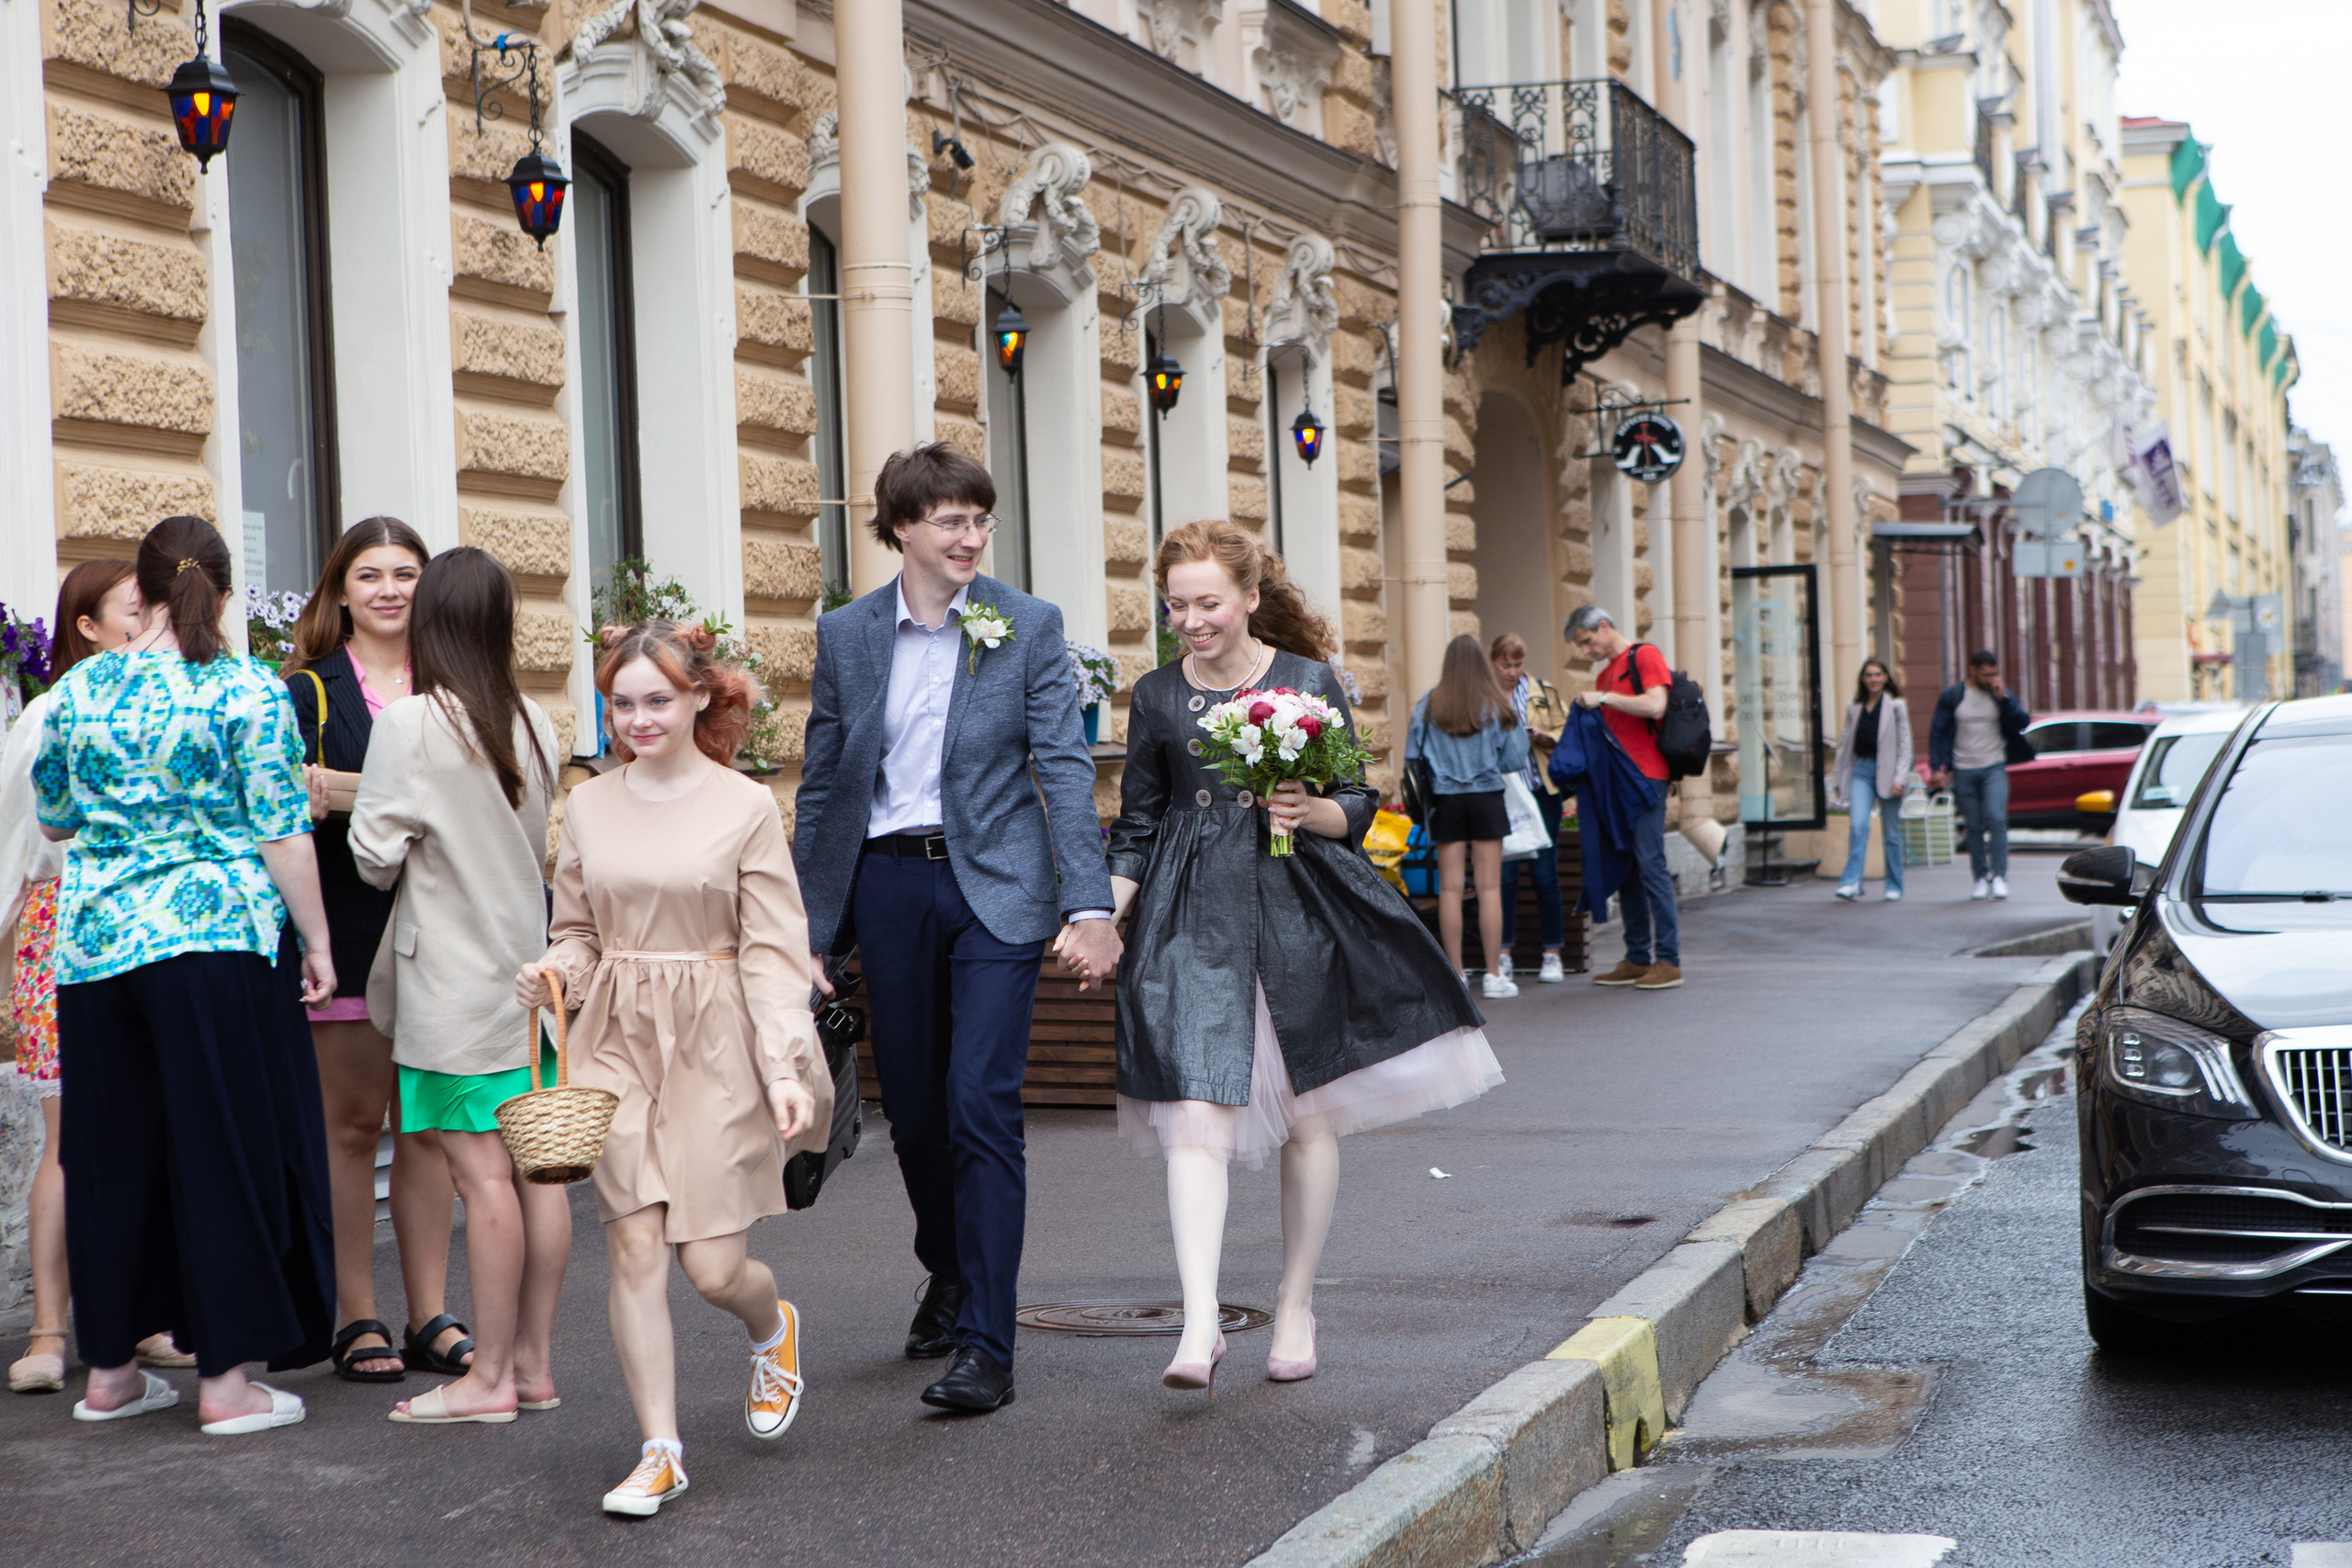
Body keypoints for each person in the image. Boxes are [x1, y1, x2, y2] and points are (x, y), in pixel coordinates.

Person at [1109, 521, 1499, 1390]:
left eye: (1208, 602)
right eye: (1177, 605)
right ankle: (1200, 1320)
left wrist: (1304, 807)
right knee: (1193, 1117)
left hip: (1299, 909)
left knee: (1309, 1114)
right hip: (1189, 919)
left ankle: (1294, 1303)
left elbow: (1356, 801)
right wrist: (1106, 916)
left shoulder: (1308, 681)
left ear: (1250, 598)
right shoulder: (1156, 695)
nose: (1192, 621)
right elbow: (1137, 822)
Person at [793, 442, 1119, 1416]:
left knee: (981, 1102)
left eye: (979, 517)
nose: (970, 534)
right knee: (920, 1119)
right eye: (949, 519)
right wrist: (809, 927)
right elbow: (823, 785)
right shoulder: (848, 634)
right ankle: (947, 1266)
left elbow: (1064, 766)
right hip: (888, 889)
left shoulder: (1025, 625)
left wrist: (1088, 902)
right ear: (900, 528)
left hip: (996, 893)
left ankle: (987, 1340)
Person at [517, 620, 830, 1517]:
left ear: (699, 696)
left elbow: (773, 952)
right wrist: (554, 975)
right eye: (623, 703)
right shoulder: (587, 806)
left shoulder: (744, 807)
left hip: (719, 1039)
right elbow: (576, 932)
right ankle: (660, 1449)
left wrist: (781, 1066)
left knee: (713, 1268)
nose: (639, 719)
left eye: (658, 700)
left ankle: (771, 1329)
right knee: (634, 1246)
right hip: (617, 1038)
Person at [34, 514, 334, 1434]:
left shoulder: (81, 691)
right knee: (224, 1151)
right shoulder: (247, 687)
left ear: (144, 587)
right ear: (226, 589)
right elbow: (283, 830)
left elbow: (52, 819)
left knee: (111, 1155)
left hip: (95, 949)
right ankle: (227, 1386)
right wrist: (317, 942)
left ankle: (111, 1374)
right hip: (214, 943)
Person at [350, 547, 569, 1425]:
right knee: (535, 1178)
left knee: (481, 1179)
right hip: (528, 986)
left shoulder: (409, 723)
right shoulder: (535, 720)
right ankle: (533, 1368)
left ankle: (486, 1383)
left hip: (449, 984)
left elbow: (372, 858)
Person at [281, 518, 469, 1384]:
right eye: (370, 574)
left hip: (447, 934)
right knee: (352, 1129)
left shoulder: (459, 681)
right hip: (348, 932)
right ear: (341, 591)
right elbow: (290, 809)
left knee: (427, 1128)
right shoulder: (307, 695)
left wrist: (354, 792)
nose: (390, 589)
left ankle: (429, 1314)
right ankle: (356, 1315)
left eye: (405, 572)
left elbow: (484, 797)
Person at [3, 561, 195, 1393]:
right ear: (86, 625)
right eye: (134, 609)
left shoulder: (149, 706)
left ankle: (141, 1318)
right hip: (64, 926)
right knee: (72, 1134)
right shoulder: (51, 715)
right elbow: (17, 846)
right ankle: (50, 1328)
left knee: (139, 1130)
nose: (150, 623)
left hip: (137, 926)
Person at [1564, 605, 1681, 989]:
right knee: (1628, 866)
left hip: (1647, 777)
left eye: (1586, 641)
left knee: (1651, 864)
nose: (1586, 650)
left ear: (1603, 626)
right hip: (1618, 781)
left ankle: (1668, 960)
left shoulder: (1644, 655)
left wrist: (1605, 698)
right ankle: (1636, 957)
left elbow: (1656, 704)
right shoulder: (1605, 674)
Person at [1408, 636, 1532, 999]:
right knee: (1490, 888)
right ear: (1482, 664)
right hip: (1487, 799)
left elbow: (1413, 757)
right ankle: (1494, 975)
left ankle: (1457, 975)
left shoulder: (1429, 704)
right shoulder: (1496, 704)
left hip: (1446, 801)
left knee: (1450, 889)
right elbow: (1514, 760)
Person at [1490, 633, 1568, 983]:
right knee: (1504, 875)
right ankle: (1503, 953)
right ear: (1494, 662)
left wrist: (1542, 737)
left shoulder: (1542, 691)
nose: (1512, 671)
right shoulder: (1484, 694)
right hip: (1503, 794)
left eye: (1518, 664)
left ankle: (1552, 953)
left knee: (1545, 874)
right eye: (1506, 664)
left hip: (1540, 790)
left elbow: (1567, 734)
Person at [1928, 649, 2031, 900]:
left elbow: (2023, 722)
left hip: (1993, 766)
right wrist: (1938, 767)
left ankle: (1999, 877)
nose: (1990, 679)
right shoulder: (1953, 696)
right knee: (1973, 826)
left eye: (1994, 674)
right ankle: (1980, 878)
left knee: (1996, 820)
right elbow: (1938, 732)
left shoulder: (2000, 695)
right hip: (1963, 769)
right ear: (1972, 669)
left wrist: (2004, 699)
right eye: (1985, 674)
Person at [1830, 659, 1915, 903]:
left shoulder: (1897, 706)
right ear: (1863, 679)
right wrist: (1839, 777)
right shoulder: (1854, 707)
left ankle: (1894, 884)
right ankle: (1851, 883)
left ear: (1886, 677)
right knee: (1858, 827)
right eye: (1869, 675)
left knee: (1890, 833)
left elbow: (1905, 746)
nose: (1873, 679)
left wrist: (1900, 778)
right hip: (1861, 770)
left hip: (1889, 775)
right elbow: (1844, 746)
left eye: (1878, 674)